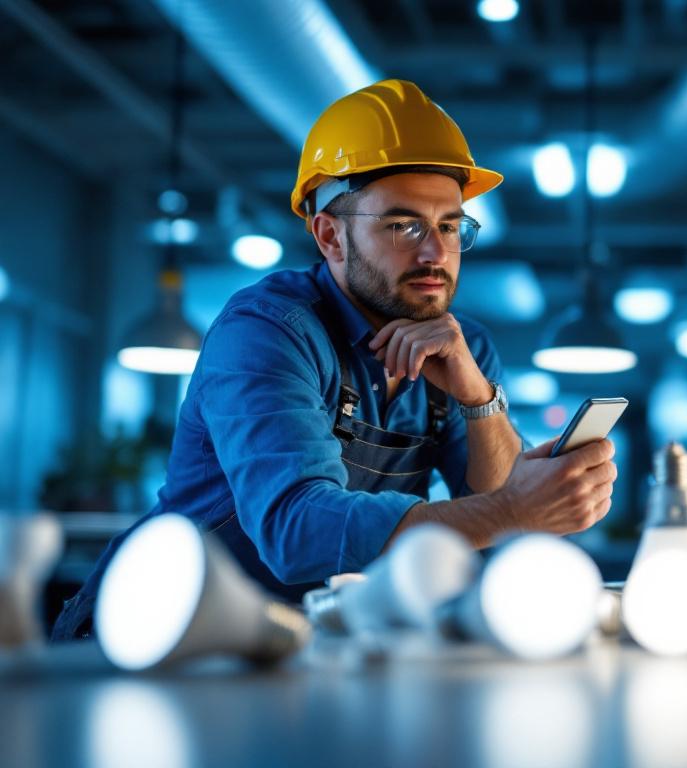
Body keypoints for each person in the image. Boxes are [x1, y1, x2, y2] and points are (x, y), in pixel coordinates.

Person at [51, 79, 617, 640]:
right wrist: (512, 510)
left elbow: (495, 506)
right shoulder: (268, 332)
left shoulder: (461, 346)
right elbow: (296, 530)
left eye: (450, 226)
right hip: (146, 631)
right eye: (403, 225)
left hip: (284, 641)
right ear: (330, 237)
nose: (434, 251)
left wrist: (479, 401)